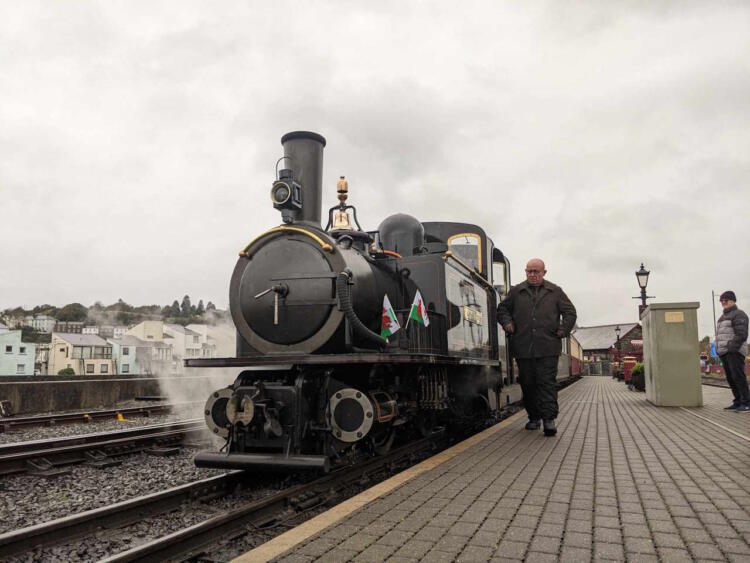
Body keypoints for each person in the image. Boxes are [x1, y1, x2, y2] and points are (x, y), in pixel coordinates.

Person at [497, 258, 577, 436]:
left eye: (536, 272)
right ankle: (534, 417)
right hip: (523, 348)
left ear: (544, 273)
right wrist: (507, 323)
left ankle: (549, 420)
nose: (532, 275)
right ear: (526, 272)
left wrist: (563, 330)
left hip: (548, 347)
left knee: (546, 384)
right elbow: (502, 309)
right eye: (529, 271)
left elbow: (570, 312)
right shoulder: (516, 292)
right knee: (528, 384)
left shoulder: (555, 291)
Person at [716, 291, 749, 412]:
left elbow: (741, 334)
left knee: (738, 377)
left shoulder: (739, 314)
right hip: (725, 352)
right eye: (721, 301)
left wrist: (732, 348)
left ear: (733, 301)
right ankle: (738, 401)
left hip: (734, 351)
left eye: (726, 300)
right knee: (731, 378)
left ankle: (747, 403)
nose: (723, 303)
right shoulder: (721, 318)